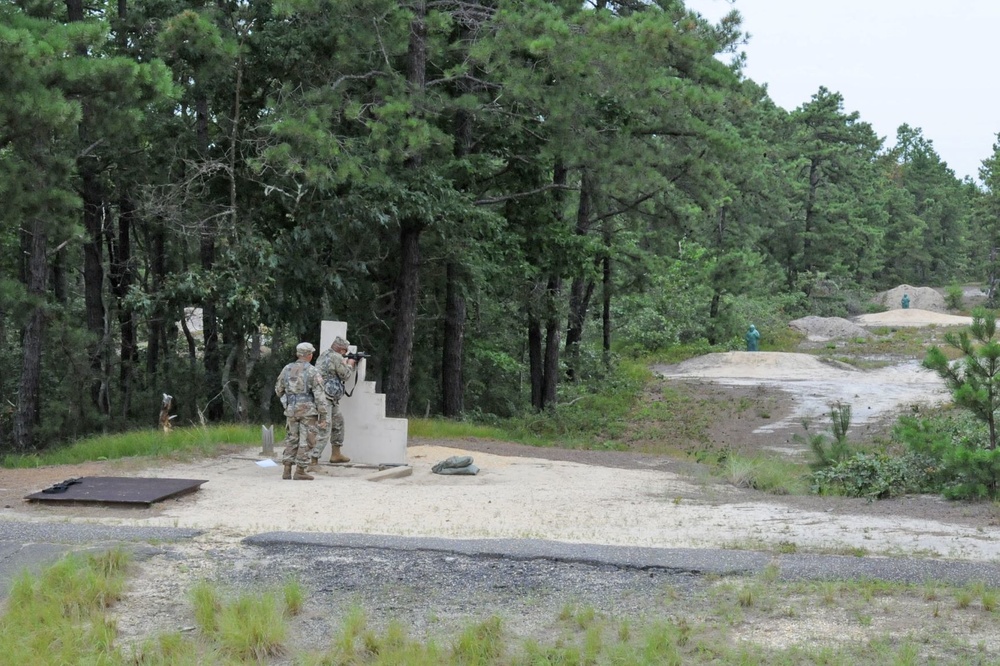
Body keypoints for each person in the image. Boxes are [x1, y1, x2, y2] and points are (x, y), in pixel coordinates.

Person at [274, 342, 328, 480]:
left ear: (298, 354)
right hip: (308, 411)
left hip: (291, 410)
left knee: (292, 438)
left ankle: (287, 469)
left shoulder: (287, 369)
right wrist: (323, 416)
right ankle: (300, 470)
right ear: (310, 355)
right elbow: (320, 396)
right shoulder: (312, 371)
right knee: (308, 440)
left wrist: (289, 400)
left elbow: (279, 389)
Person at [309, 335, 357, 469]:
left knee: (338, 423)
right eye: (345, 351)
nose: (345, 354)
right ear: (341, 350)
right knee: (325, 429)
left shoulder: (324, 355)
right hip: (326, 398)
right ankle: (313, 461)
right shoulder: (336, 357)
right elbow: (345, 375)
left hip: (330, 398)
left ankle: (336, 454)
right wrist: (350, 363)